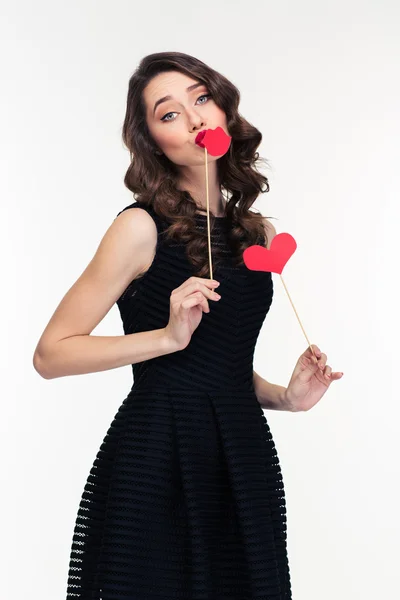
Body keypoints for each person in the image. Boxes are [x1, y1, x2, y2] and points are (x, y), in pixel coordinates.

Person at [33, 51, 342, 600]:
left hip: (242, 458)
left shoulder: (257, 234)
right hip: (159, 453)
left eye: (201, 98)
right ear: (153, 141)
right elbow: (51, 354)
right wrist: (167, 337)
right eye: (169, 112)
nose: (195, 118)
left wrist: (286, 397)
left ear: (223, 109)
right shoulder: (139, 227)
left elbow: (220, 365)